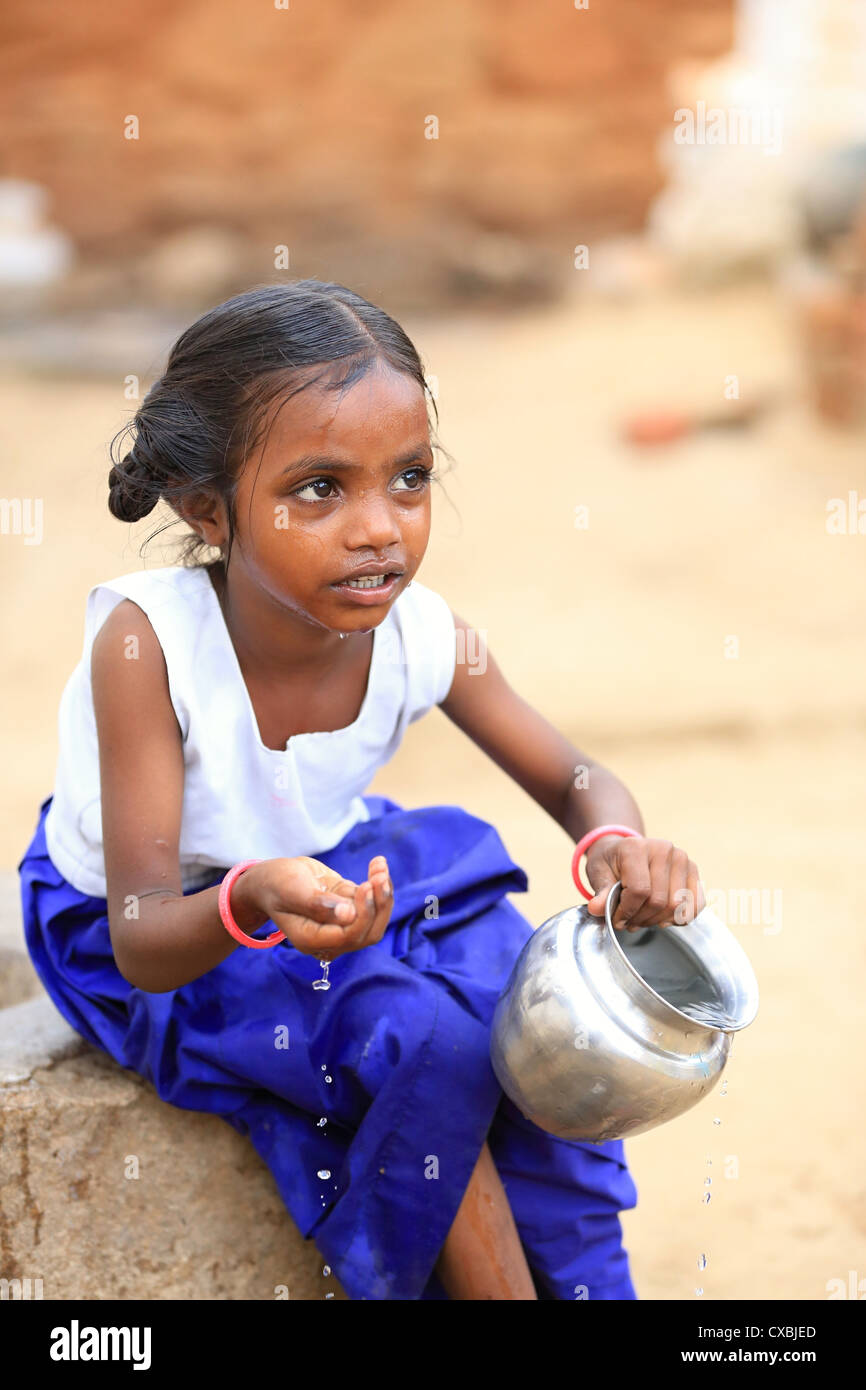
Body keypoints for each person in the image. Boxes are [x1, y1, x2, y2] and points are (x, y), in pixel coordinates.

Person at [18, 279, 706, 1301]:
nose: (378, 527)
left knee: (519, 1004)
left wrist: (613, 843)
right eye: (318, 489)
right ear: (207, 507)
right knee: (427, 1038)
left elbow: (571, 776)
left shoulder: (423, 631)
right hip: (169, 921)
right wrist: (252, 897)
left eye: (410, 478)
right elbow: (141, 939)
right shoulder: (148, 644)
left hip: (328, 872)